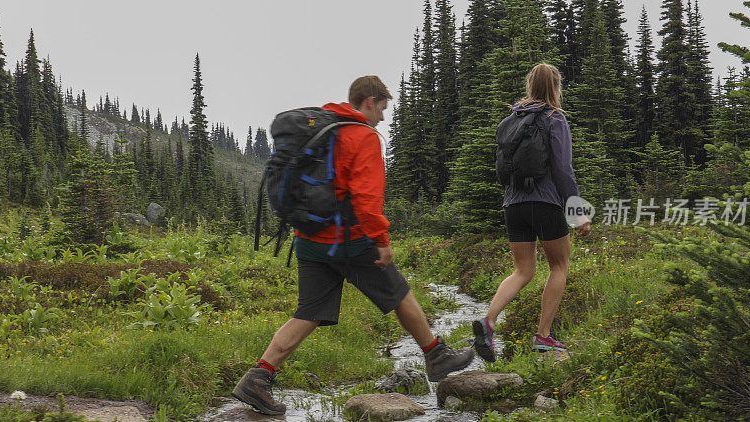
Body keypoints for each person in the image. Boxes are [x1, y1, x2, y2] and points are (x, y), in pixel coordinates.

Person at [233, 76, 475, 415]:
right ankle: (436, 356)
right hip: (348, 240)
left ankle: (258, 378)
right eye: (382, 109)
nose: (383, 117)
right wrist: (382, 241)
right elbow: (366, 199)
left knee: (309, 313)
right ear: (370, 101)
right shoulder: (361, 136)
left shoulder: (328, 128)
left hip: (308, 240)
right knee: (399, 292)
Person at [472, 63, 591, 363]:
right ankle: (544, 336)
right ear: (556, 86)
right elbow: (563, 170)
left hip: (513, 204)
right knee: (559, 266)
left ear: (530, 85)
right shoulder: (554, 118)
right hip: (546, 202)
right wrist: (578, 212)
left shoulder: (512, 119)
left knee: (522, 271)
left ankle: (488, 321)